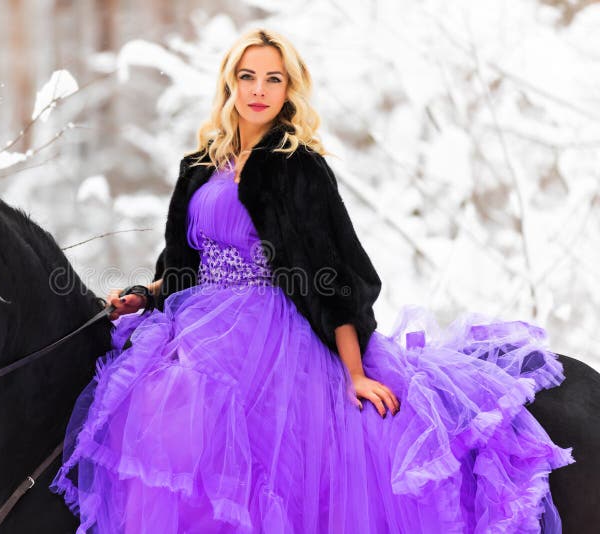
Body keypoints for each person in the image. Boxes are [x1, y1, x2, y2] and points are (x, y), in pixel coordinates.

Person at [50, 28, 575, 533]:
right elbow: (181, 266)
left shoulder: (296, 167)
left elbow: (334, 274)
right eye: (248, 75)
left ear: (289, 89)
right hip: (195, 322)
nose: (258, 90)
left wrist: (355, 371)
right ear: (229, 82)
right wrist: (145, 294)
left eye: (274, 79)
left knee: (269, 461)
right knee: (154, 424)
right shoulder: (198, 166)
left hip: (270, 335)